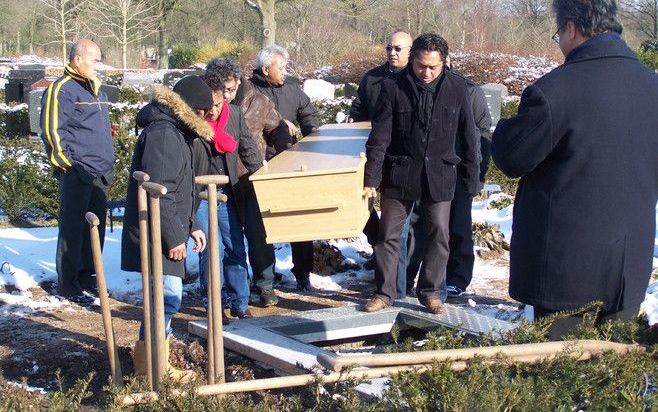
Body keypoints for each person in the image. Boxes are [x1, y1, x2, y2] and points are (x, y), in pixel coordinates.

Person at [492, 0, 658, 339]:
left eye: (558, 33)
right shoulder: (652, 87)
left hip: (564, 273)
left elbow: (512, 158)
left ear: (571, 27)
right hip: (628, 267)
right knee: (612, 376)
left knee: (560, 376)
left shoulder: (555, 90)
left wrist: (503, 129)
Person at [363, 33, 479, 313]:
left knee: (439, 233)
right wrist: (372, 179)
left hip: (440, 173)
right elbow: (379, 137)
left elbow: (469, 136)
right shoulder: (392, 87)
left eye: (433, 67)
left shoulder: (458, 88)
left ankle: (431, 291)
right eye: (420, 66)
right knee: (388, 235)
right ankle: (384, 293)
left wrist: (472, 178)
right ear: (412, 59)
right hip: (399, 172)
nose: (425, 73)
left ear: (444, 63)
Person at [121, 75, 211, 381]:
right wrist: (175, 237)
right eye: (203, 112)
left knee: (164, 298)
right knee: (167, 297)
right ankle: (150, 368)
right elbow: (160, 191)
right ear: (192, 109)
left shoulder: (174, 133)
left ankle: (154, 364)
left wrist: (193, 225)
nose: (205, 119)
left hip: (164, 229)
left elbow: (181, 189)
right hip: (156, 233)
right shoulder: (163, 134)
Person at [205, 57, 290, 307]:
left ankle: (264, 284)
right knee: (227, 238)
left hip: (249, 177)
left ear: (238, 82)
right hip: (219, 180)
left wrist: (278, 157)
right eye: (221, 91)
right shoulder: (207, 102)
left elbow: (278, 129)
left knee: (258, 234)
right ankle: (226, 287)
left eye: (230, 90)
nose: (226, 96)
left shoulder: (258, 101)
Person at [406, 55, 492, 298]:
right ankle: (410, 274)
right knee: (419, 225)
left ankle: (457, 278)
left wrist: (478, 172)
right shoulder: (419, 87)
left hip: (460, 169)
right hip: (428, 170)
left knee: (458, 226)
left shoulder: (469, 90)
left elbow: (482, 134)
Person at [40, 39, 115, 305]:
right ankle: (68, 283)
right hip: (77, 171)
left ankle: (87, 277)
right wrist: (67, 166)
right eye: (94, 60)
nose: (98, 65)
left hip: (100, 171)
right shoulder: (62, 88)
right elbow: (51, 131)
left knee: (95, 229)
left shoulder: (97, 89)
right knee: (73, 229)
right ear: (77, 60)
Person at [193, 69, 263, 319]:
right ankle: (213, 304)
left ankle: (240, 303)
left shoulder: (233, 114)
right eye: (208, 105)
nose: (212, 111)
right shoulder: (193, 120)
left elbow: (246, 145)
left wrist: (259, 174)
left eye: (217, 103)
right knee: (211, 250)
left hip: (227, 191)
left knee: (235, 245)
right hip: (200, 193)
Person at [350, 31, 414, 298]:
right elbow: (358, 112)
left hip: (405, 163)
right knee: (376, 223)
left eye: (399, 48)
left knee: (402, 230)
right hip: (374, 158)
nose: (392, 53)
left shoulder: (416, 79)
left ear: (411, 50)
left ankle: (398, 287)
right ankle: (385, 273)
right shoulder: (372, 79)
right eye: (389, 47)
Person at [250, 45, 320, 291]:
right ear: (266, 69)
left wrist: (310, 139)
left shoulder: (293, 90)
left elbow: (310, 118)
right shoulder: (250, 91)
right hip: (260, 166)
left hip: (292, 164)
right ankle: (264, 280)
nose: (285, 71)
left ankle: (303, 274)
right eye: (281, 67)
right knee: (261, 226)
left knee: (300, 222)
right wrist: (278, 122)